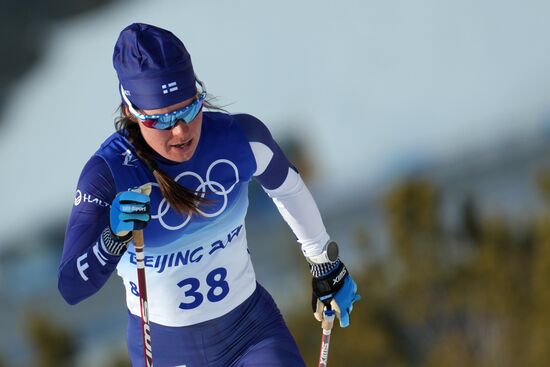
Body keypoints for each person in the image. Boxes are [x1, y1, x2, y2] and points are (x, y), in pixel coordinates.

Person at [58, 23, 360, 367]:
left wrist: (323, 260)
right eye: (162, 120)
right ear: (131, 112)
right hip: (168, 350)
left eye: (189, 109)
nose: (181, 130)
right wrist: (112, 239)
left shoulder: (238, 139)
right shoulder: (108, 174)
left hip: (251, 330)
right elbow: (71, 286)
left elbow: (287, 187)